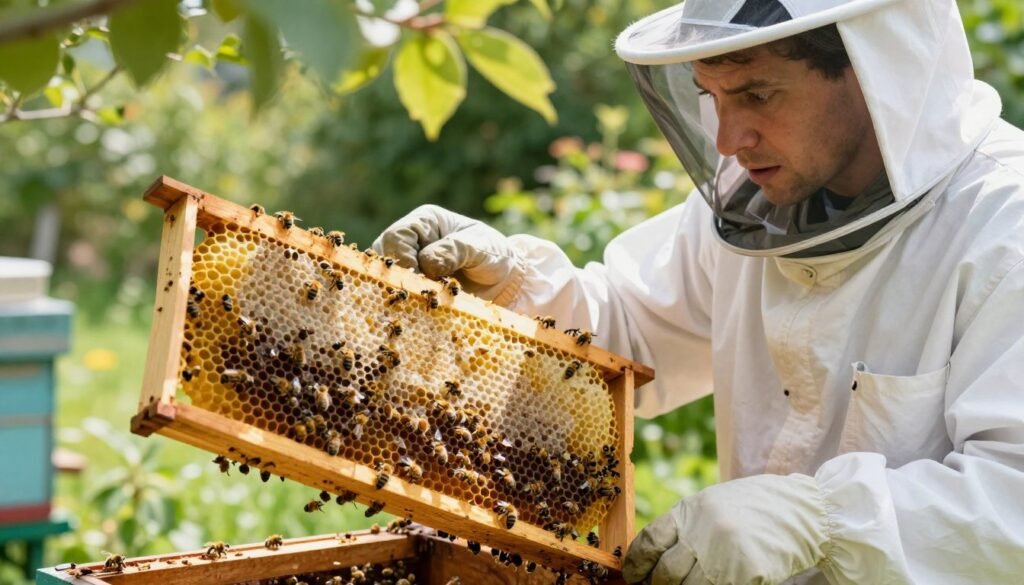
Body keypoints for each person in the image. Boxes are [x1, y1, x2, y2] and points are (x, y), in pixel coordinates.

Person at [374, 0, 1024, 582]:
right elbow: (630, 339)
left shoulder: (1004, 226)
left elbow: (1012, 502)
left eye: (758, 94)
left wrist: (822, 520)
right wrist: (509, 283)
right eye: (711, 95)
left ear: (876, 72)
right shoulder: (758, 204)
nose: (726, 140)